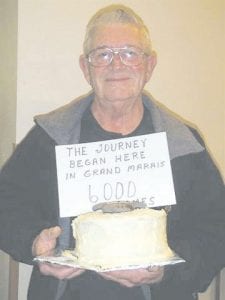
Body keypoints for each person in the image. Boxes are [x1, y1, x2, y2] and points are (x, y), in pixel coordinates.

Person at [0, 4, 224, 300]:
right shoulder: (48, 139)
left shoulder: (184, 144)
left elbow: (217, 228)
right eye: (102, 54)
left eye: (130, 53)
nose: (116, 65)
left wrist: (169, 267)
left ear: (149, 65)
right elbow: (7, 203)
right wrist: (33, 243)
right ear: (85, 67)